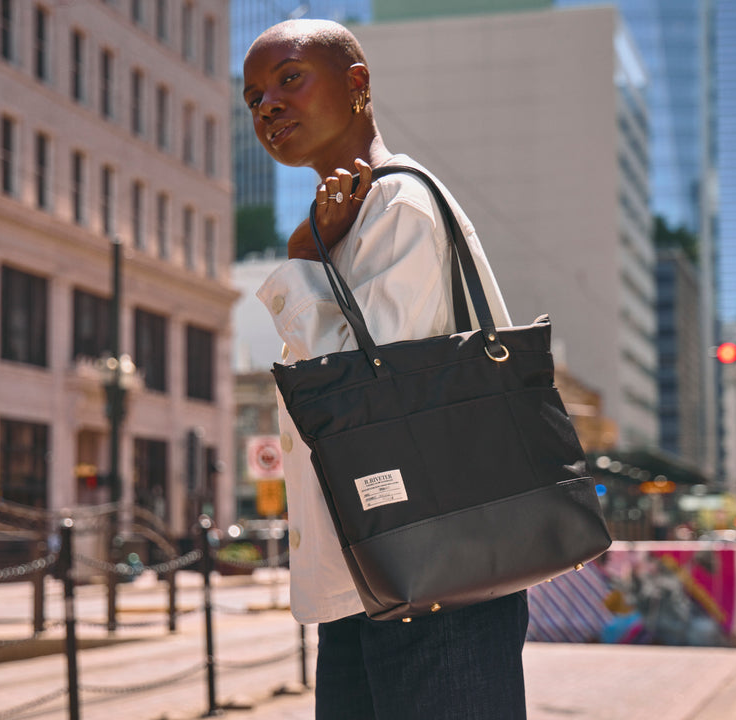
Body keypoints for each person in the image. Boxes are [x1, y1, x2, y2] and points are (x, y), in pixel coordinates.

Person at [244, 19, 528, 719]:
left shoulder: (399, 205)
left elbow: (358, 398)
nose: (268, 107)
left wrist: (305, 264)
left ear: (358, 83)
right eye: (252, 99)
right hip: (379, 580)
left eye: (288, 79)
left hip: (437, 583)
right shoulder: (350, 223)